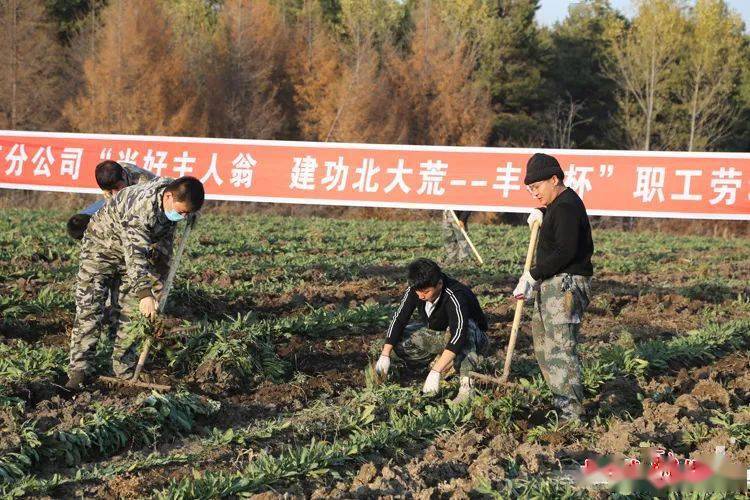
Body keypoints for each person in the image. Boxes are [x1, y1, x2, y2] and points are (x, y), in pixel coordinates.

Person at [65, 176, 205, 389]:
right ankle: (79, 371)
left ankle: (124, 369)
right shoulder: (141, 210)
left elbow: (159, 252)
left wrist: (157, 288)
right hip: (101, 249)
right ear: (168, 197)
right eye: (182, 212)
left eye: (187, 213)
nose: (183, 217)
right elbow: (135, 254)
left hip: (130, 256)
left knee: (130, 313)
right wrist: (145, 292)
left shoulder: (171, 194)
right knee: (90, 308)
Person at [512, 152, 594, 420]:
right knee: (544, 346)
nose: (534, 193)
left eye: (536, 187)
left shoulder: (568, 206)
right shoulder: (558, 206)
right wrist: (543, 213)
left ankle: (571, 413)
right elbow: (557, 228)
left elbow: (565, 250)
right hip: (552, 284)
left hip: (566, 285)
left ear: (554, 179)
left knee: (560, 347)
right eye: (530, 189)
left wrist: (532, 275)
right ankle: (561, 403)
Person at [374, 258, 488, 404]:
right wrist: (385, 353)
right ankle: (443, 362)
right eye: (418, 292)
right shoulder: (416, 290)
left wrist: (436, 371)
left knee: (467, 327)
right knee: (396, 339)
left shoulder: (455, 295)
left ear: (439, 284)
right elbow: (399, 319)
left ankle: (466, 386)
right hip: (439, 335)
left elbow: (459, 334)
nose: (421, 296)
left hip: (472, 341)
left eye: (426, 292)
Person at [66, 161, 155, 240]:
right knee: (82, 224)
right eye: (109, 190)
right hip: (125, 200)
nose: (114, 193)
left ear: (124, 175)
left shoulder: (143, 184)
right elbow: (111, 200)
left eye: (116, 188)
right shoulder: (109, 177)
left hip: (149, 206)